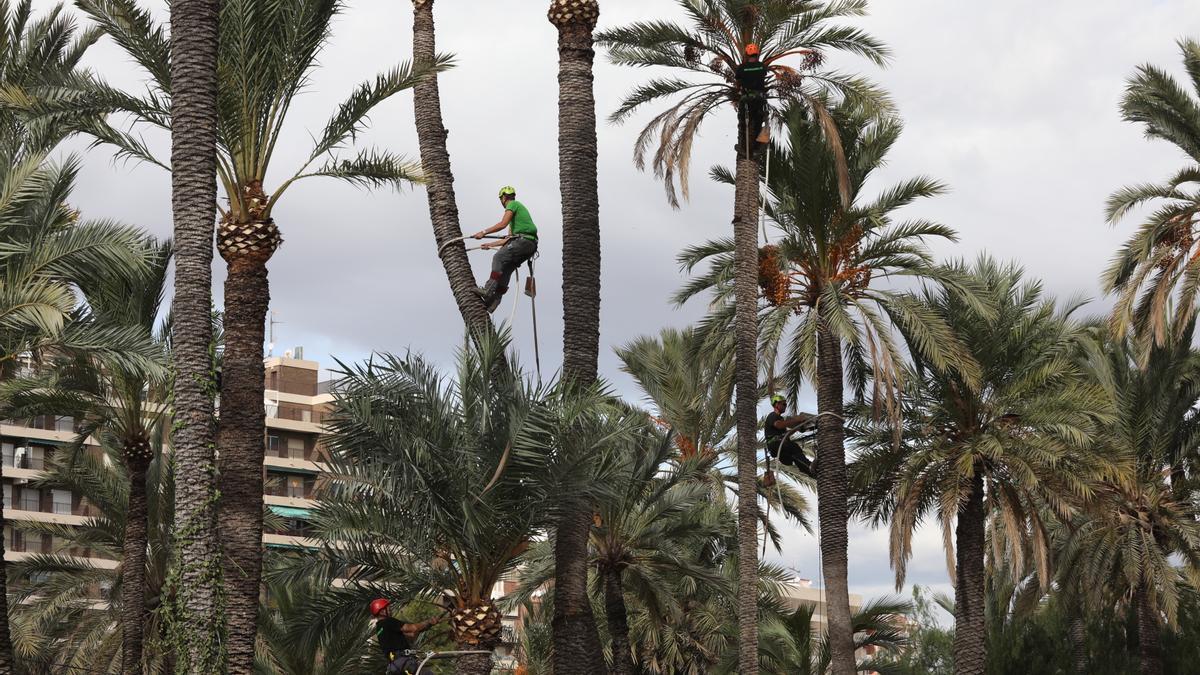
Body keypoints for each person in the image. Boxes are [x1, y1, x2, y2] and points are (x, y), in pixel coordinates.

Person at [472, 186, 538, 313]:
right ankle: (494, 303)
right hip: (529, 244)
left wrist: (483, 232)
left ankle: (487, 289)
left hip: (523, 241)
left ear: (503, 197)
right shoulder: (516, 219)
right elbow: (507, 240)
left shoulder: (513, 205)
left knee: (498, 257)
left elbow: (502, 224)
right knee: (506, 269)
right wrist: (490, 244)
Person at [370, 598, 443, 675]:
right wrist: (428, 621)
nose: (390, 609)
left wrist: (428, 625)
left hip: (395, 666)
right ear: (382, 611)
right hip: (404, 662)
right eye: (388, 608)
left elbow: (412, 635)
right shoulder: (388, 621)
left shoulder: (380, 628)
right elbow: (412, 628)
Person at [764, 394, 816, 478]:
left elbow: (785, 434)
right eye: (783, 404)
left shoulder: (780, 419)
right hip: (775, 445)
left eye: (786, 404)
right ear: (777, 404)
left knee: (796, 457)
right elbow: (779, 425)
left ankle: (812, 472)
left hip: (781, 447)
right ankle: (808, 466)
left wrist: (797, 427)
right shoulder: (773, 415)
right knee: (794, 447)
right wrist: (796, 419)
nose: (785, 406)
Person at [735, 43, 770, 144]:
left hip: (747, 98)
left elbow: (738, 80)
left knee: (743, 121)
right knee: (758, 120)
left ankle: (743, 142)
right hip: (760, 98)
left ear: (746, 55)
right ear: (757, 55)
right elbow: (763, 75)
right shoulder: (762, 66)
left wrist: (739, 90)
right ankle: (757, 144)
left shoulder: (742, 68)